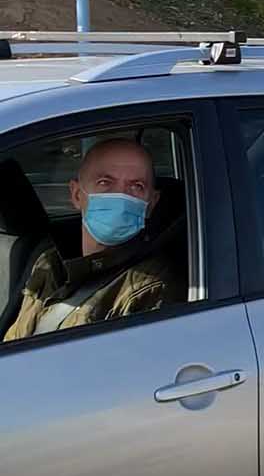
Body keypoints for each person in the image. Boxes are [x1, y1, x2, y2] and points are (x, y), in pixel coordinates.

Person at [4, 138, 172, 341]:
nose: (120, 196)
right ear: (76, 195)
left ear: (151, 204)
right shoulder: (49, 263)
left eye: (136, 186)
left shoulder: (150, 288)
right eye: (105, 182)